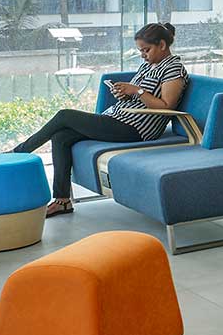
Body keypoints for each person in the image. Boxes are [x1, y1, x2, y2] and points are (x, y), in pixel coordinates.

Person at [13, 22, 188, 216]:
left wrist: (136, 90)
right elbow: (141, 95)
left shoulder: (173, 69)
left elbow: (166, 106)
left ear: (162, 45)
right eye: (140, 51)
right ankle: (62, 201)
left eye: (146, 50)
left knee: (65, 115)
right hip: (118, 118)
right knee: (61, 137)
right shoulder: (149, 66)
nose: (143, 55)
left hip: (135, 128)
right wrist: (125, 93)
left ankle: (19, 152)